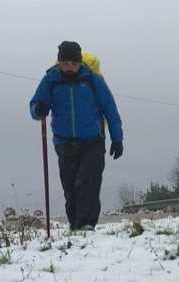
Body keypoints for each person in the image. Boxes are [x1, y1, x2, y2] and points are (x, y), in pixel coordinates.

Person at [29, 41, 124, 231]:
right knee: (70, 187)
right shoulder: (51, 79)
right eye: (65, 64)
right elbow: (35, 106)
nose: (70, 68)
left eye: (73, 64)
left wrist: (117, 138)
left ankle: (86, 224)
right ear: (59, 62)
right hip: (64, 142)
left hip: (92, 140)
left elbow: (110, 109)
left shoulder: (92, 80)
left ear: (80, 63)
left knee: (89, 181)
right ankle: (75, 224)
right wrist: (38, 108)